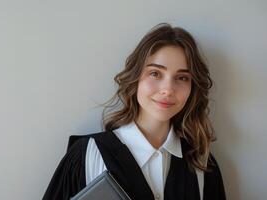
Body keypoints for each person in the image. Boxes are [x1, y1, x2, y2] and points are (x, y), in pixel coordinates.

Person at [43, 23, 226, 200]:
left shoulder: (202, 165)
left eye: (182, 77)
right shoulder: (88, 154)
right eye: (155, 73)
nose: (168, 89)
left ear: (192, 88)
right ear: (136, 77)